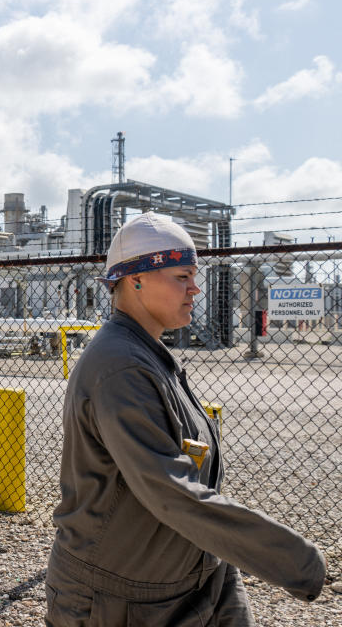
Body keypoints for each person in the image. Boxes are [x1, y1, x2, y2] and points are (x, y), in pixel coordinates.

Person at [45, 212, 326, 626]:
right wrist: (297, 560)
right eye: (182, 276)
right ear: (136, 279)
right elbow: (171, 492)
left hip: (194, 577)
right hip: (116, 599)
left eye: (195, 276)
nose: (196, 288)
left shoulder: (146, 354)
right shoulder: (120, 367)